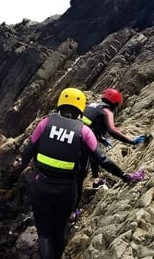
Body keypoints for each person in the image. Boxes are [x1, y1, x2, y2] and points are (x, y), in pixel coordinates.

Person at [14, 87, 143, 259]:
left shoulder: (45, 123)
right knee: (58, 232)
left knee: (44, 236)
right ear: (81, 107)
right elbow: (102, 159)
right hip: (66, 190)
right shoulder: (84, 131)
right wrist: (124, 176)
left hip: (41, 186)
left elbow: (26, 155)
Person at [69, 88, 146, 222]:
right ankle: (72, 213)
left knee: (92, 156)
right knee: (81, 175)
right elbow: (112, 130)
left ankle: (96, 179)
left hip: (73, 137)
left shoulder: (92, 105)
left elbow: (87, 123)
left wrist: (99, 137)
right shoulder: (106, 111)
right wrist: (131, 141)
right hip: (81, 142)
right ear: (115, 104)